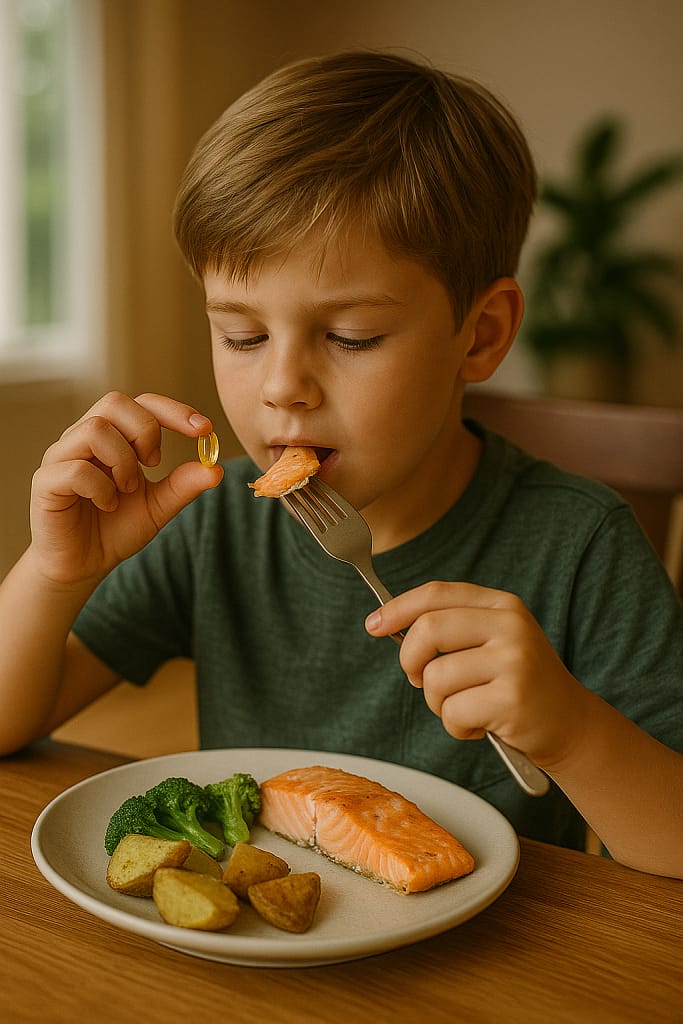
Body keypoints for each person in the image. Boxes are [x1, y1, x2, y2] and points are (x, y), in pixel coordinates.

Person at [1, 50, 681, 876]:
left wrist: (572, 730)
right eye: (241, 335)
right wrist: (54, 571)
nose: (282, 386)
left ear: (482, 334)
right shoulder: (220, 523)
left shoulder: (578, 544)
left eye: (350, 337)